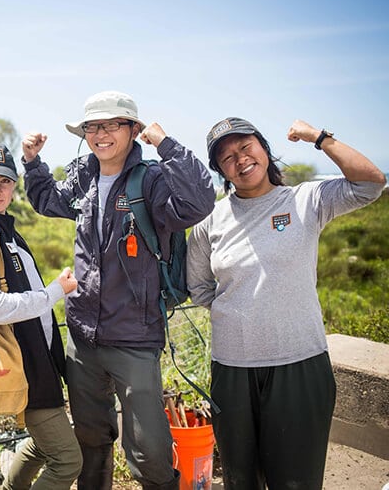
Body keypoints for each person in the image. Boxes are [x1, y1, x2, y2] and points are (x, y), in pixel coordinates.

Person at [21, 91, 216, 490]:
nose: (101, 134)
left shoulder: (153, 180)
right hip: (82, 336)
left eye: (112, 125)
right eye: (93, 126)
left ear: (133, 130)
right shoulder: (83, 176)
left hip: (135, 336)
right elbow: (45, 199)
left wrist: (166, 145)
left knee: (148, 449)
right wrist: (32, 162)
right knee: (91, 438)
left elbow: (198, 202)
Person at [186, 117, 386, 489]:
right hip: (232, 369)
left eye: (246, 147)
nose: (241, 159)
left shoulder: (306, 199)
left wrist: (318, 137)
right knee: (239, 479)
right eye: (227, 157)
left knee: (296, 481)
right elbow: (198, 285)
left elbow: (371, 184)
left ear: (263, 147)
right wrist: (239, 314)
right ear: (220, 170)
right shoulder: (210, 219)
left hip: (299, 364)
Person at [0, 141, 83, 490]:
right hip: (23, 363)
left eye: (4, 181)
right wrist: (54, 292)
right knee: (68, 460)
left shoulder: (3, 229)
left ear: (14, 184)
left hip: (35, 361)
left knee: (43, 447)